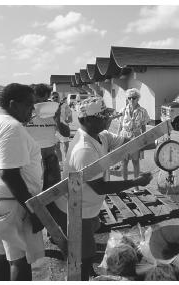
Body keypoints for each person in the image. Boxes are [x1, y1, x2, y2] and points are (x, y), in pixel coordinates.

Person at [50, 97, 153, 280]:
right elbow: (100, 187)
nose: (108, 119)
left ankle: (88, 271)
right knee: (82, 253)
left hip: (87, 205)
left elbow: (128, 142)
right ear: (88, 119)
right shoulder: (84, 149)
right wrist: (136, 181)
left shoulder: (102, 136)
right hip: (74, 209)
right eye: (103, 116)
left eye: (107, 114)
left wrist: (158, 143)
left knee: (88, 244)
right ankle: (80, 276)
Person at [0, 83, 45, 281]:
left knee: (0, 255)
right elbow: (9, 175)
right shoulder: (11, 126)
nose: (32, 110)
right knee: (20, 261)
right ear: (13, 104)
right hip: (7, 204)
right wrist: (33, 210)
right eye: (29, 105)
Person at [25, 84, 70, 191]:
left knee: (53, 193)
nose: (44, 103)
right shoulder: (24, 112)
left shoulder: (52, 111)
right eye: (40, 100)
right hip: (31, 160)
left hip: (50, 158)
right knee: (33, 192)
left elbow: (66, 133)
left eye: (46, 99)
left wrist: (58, 120)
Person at [117, 88, 151, 192]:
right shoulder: (123, 110)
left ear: (138, 98)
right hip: (124, 136)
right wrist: (117, 138)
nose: (131, 100)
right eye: (129, 98)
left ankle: (136, 186)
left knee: (136, 162)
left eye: (134, 98)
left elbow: (144, 127)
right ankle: (124, 186)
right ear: (127, 99)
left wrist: (144, 140)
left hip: (136, 137)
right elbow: (119, 125)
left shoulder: (143, 111)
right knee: (124, 162)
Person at [51, 92, 73, 166]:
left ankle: (67, 163)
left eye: (56, 97)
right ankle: (60, 164)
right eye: (53, 97)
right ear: (51, 99)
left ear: (59, 97)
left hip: (63, 128)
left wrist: (65, 122)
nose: (55, 98)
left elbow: (70, 117)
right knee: (56, 147)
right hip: (54, 130)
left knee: (66, 145)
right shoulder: (49, 106)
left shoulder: (64, 105)